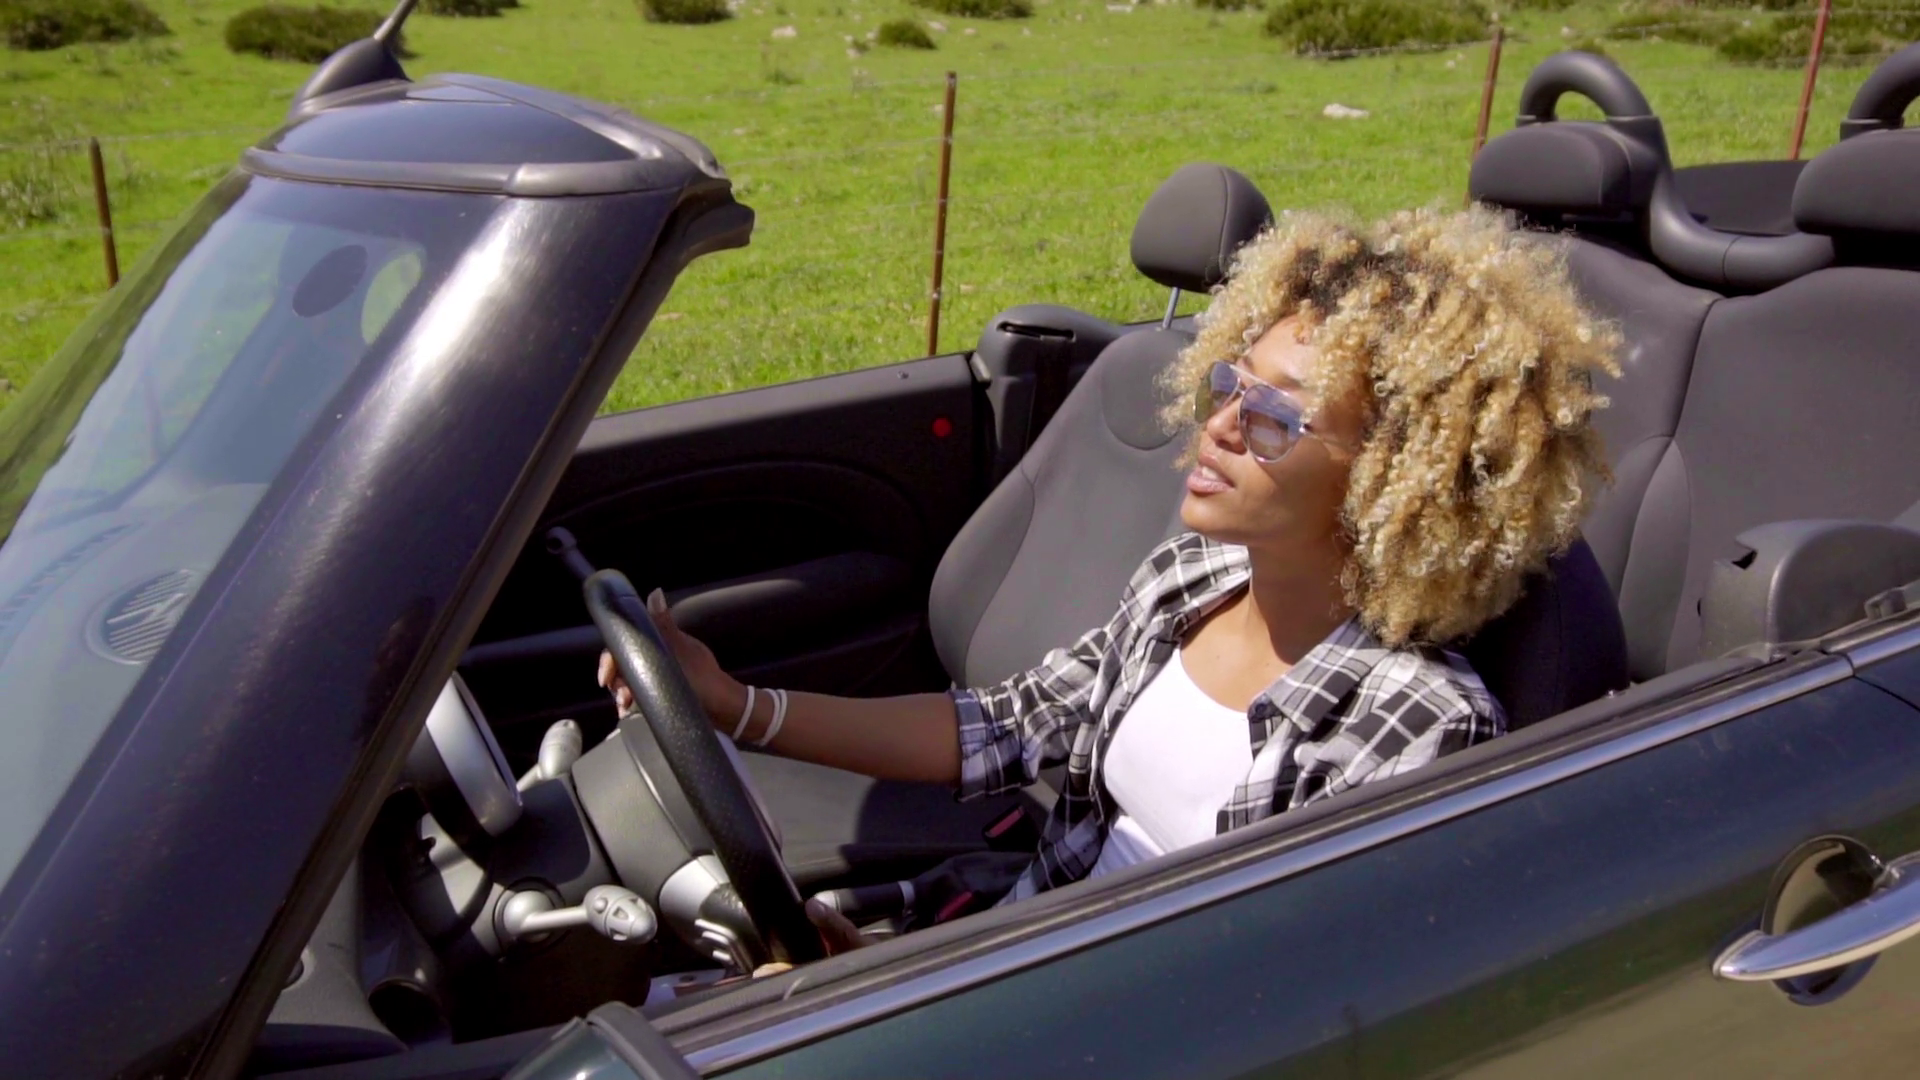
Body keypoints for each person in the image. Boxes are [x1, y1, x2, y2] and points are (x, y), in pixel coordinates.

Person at [599, 205, 1619, 944]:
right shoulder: (1193, 579)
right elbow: (1008, 726)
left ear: (1397, 476)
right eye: (1228, 383)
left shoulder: (1419, 727)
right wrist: (736, 706)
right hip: (1019, 952)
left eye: (1275, 416)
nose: (1220, 425)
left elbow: (1266, 992)